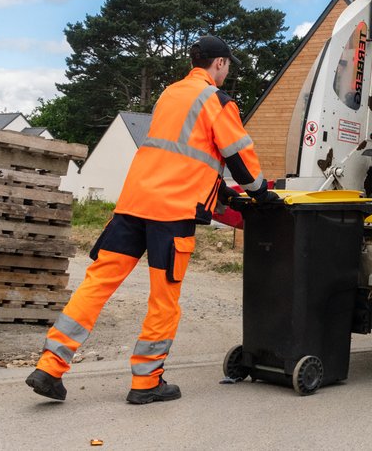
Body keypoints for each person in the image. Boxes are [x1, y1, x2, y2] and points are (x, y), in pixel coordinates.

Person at [25, 34, 279, 404]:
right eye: (227, 66)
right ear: (219, 63)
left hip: (132, 205)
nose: (227, 72)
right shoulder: (217, 100)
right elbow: (239, 157)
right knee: (163, 298)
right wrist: (260, 195)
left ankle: (49, 367)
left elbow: (181, 157)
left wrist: (220, 192)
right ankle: (146, 382)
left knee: (97, 284)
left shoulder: (170, 94)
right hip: (171, 214)